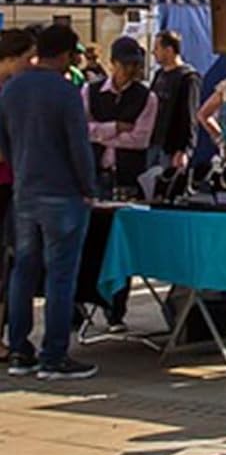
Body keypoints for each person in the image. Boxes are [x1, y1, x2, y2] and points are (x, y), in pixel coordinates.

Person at [0, 24, 99, 380]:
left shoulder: (12, 88)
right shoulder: (66, 91)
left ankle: (19, 350)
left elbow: (4, 141)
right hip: (62, 193)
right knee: (60, 275)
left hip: (25, 190)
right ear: (67, 54)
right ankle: (54, 355)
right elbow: (78, 146)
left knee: (23, 270)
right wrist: (89, 186)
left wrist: (21, 167)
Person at [0, 28, 38, 351]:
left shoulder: (12, 88)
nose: (31, 64)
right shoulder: (7, 91)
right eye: (27, 58)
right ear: (11, 58)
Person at [84, 37, 158, 200]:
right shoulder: (90, 91)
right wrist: (115, 127)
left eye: (135, 65)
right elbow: (82, 130)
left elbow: (140, 140)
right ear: (113, 63)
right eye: (125, 64)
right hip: (95, 172)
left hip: (129, 175)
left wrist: (99, 135)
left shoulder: (147, 97)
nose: (130, 69)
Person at [148, 31, 201, 173]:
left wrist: (184, 149)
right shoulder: (159, 75)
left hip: (172, 147)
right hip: (154, 143)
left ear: (169, 50)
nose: (153, 52)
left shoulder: (188, 78)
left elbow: (190, 115)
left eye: (157, 48)